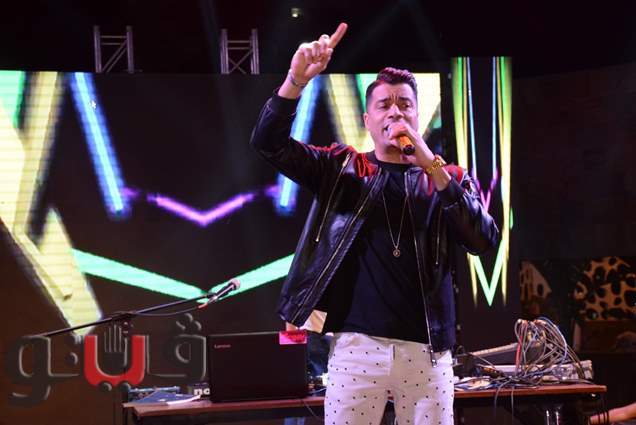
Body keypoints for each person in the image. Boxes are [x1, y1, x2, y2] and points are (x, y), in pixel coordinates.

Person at [250, 22, 499, 425]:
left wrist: (431, 165)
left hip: (427, 352)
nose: (395, 111)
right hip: (357, 349)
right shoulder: (342, 169)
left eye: (404, 104)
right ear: (368, 119)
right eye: (384, 105)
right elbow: (268, 143)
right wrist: (295, 81)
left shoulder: (447, 178)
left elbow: (483, 240)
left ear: (418, 115)